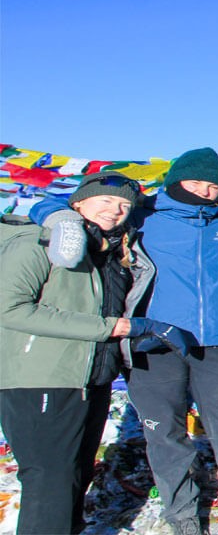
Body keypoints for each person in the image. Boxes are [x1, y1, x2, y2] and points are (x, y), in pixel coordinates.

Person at [31, 149, 218, 535]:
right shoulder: (142, 216)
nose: (205, 190)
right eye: (195, 181)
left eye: (214, 185)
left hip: (217, 343)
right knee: (166, 437)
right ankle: (182, 520)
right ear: (175, 180)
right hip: (153, 342)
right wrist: (60, 218)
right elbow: (60, 204)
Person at [0, 172, 168, 534]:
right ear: (78, 202)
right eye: (106, 201)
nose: (116, 210)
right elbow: (9, 309)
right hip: (40, 378)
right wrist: (110, 328)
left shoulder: (110, 254)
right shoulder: (36, 241)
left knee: (75, 474)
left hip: (91, 379)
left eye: (124, 205)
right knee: (50, 480)